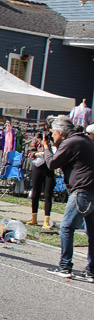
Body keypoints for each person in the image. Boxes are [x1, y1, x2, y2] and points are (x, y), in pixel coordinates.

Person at [43, 116, 94, 282]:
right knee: (91, 232)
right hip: (91, 190)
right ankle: (91, 270)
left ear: (60, 132)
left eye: (53, 133)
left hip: (82, 190)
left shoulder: (71, 142)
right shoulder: (84, 139)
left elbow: (52, 164)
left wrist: (46, 147)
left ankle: (65, 266)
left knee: (66, 227)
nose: (52, 136)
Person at [26, 132, 56, 230]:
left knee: (48, 194)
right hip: (38, 167)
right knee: (35, 192)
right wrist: (39, 153)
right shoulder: (37, 139)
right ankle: (34, 217)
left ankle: (46, 220)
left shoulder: (54, 140)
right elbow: (30, 153)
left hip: (49, 169)